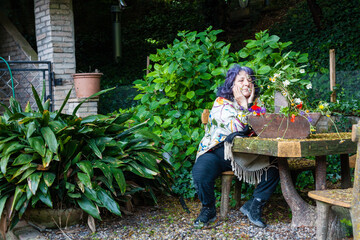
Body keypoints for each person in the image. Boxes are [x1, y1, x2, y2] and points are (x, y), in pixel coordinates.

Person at [192, 65, 280, 228]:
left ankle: (254, 205)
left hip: (248, 154)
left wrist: (250, 104)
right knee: (201, 171)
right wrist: (243, 104)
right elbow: (236, 129)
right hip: (219, 152)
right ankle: (208, 209)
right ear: (231, 85)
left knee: (275, 166)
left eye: (250, 80)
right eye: (241, 80)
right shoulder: (221, 103)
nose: (247, 83)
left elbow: (265, 129)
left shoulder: (258, 104)